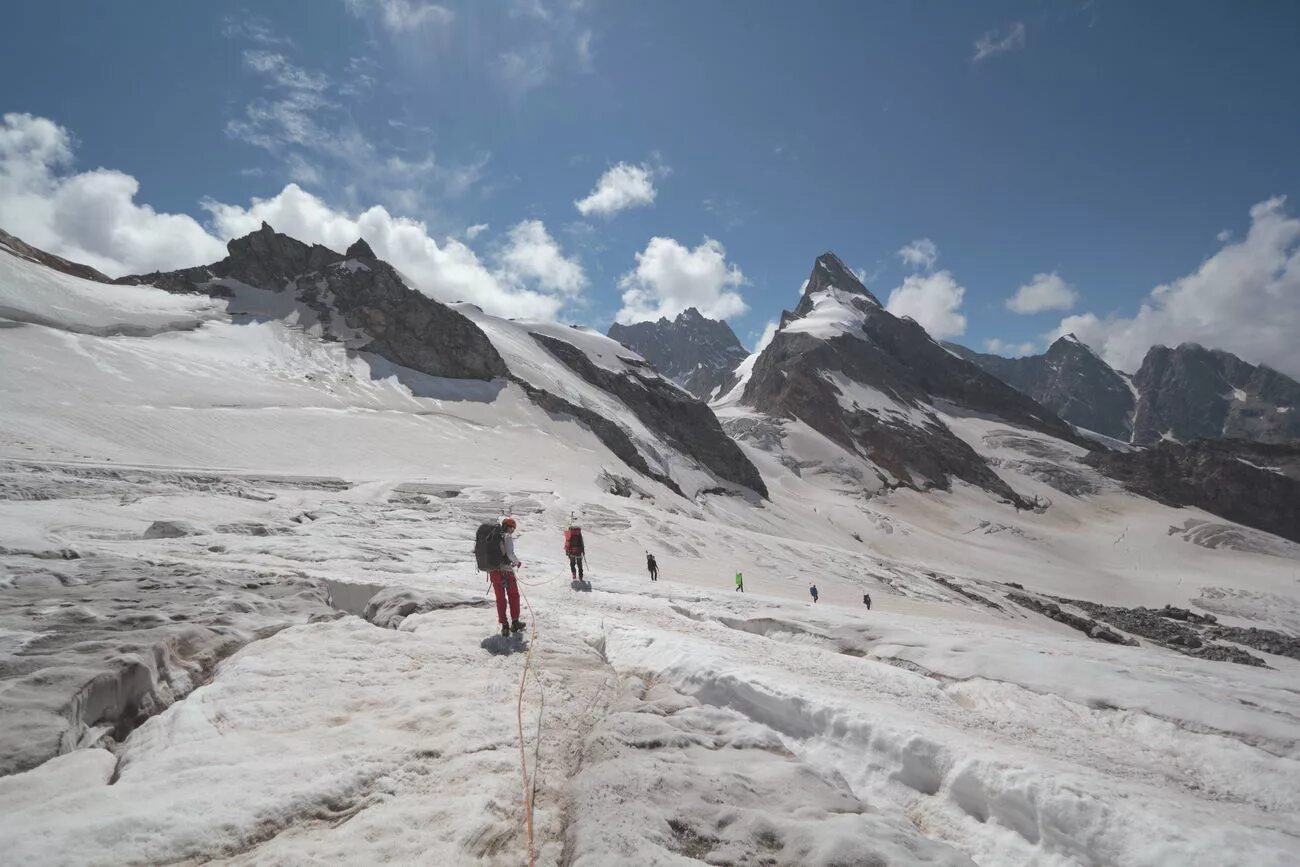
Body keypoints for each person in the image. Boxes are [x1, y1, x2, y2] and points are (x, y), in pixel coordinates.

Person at [490, 517, 524, 637]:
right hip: (506, 572)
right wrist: (517, 562)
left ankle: (504, 626)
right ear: (509, 527)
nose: (512, 531)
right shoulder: (507, 537)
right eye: (512, 528)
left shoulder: (494, 538)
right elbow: (510, 554)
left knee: (500, 599)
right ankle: (515, 622)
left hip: (494, 572)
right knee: (514, 596)